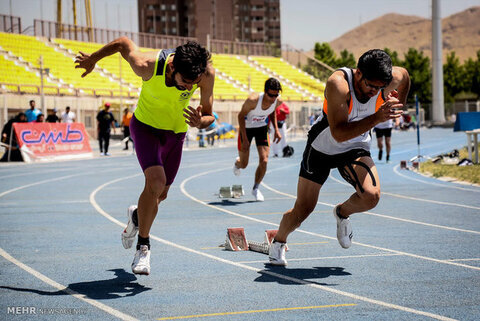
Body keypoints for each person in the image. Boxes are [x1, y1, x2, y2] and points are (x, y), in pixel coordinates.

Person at [75, 37, 215, 275]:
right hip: (145, 128)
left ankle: (137, 215)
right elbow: (122, 44)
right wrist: (93, 59)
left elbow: (210, 116)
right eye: (184, 82)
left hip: (176, 134)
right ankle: (143, 246)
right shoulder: (147, 65)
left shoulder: (205, 75)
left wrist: (199, 122)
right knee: (156, 183)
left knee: (160, 195)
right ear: (172, 68)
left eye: (193, 83)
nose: (188, 87)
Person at [268, 49, 410, 266]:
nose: (374, 92)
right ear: (359, 73)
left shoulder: (390, 80)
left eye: (380, 88)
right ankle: (278, 242)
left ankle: (342, 213)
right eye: (371, 86)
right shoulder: (338, 84)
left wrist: (399, 104)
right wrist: (377, 117)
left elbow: (405, 76)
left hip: (356, 147)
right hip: (323, 147)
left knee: (371, 196)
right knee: (303, 208)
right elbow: (339, 133)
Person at [233, 78, 282, 201]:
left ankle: (256, 188)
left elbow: (272, 112)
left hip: (261, 128)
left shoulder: (277, 101)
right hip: (246, 129)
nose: (273, 99)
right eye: (270, 95)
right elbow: (240, 116)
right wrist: (244, 138)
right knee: (244, 164)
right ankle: (237, 163)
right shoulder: (253, 101)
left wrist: (276, 129)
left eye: (276, 95)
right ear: (265, 92)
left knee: (264, 160)